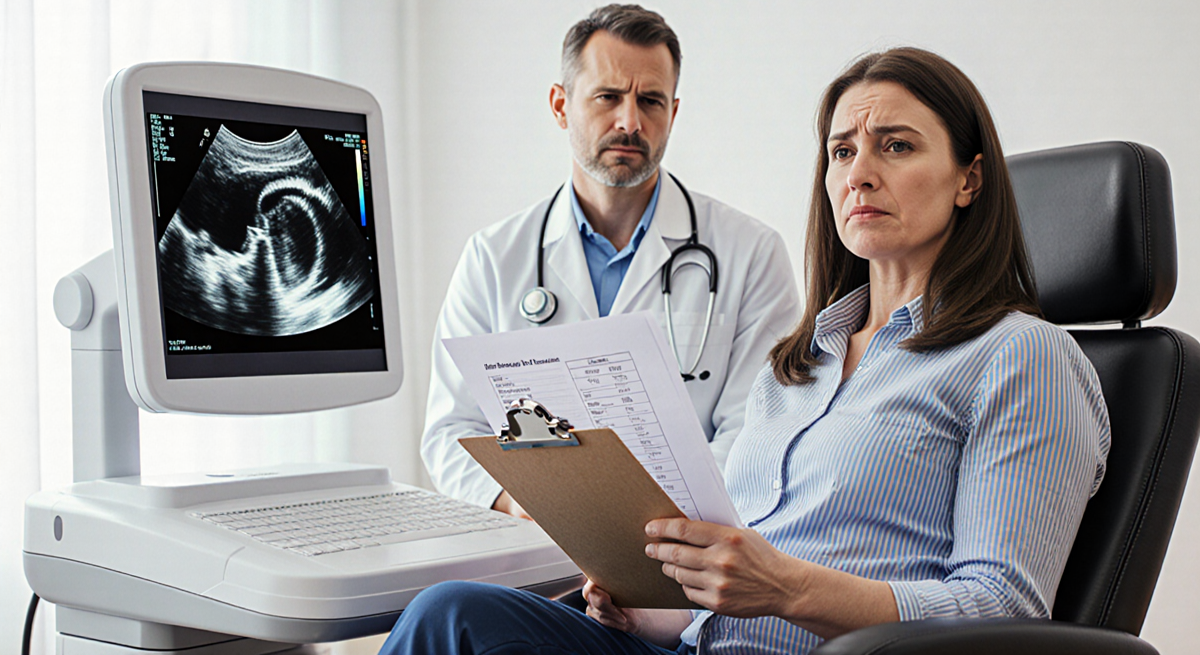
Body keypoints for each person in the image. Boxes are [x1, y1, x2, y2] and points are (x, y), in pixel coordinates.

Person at [384, 46, 1111, 654]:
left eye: (896, 145)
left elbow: (1004, 611)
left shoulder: (1022, 358)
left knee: (450, 618)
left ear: (969, 179)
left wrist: (787, 587)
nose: (859, 171)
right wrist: (645, 607)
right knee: (455, 613)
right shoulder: (798, 364)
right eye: (842, 150)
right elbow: (734, 588)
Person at [422, 3, 800, 519]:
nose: (630, 121)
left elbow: (753, 430)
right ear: (560, 105)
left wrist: (656, 526)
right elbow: (451, 430)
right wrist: (525, 505)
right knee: (445, 603)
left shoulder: (751, 253)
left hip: (684, 552)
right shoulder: (493, 257)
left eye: (651, 101)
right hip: (536, 542)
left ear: (673, 112)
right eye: (608, 97)